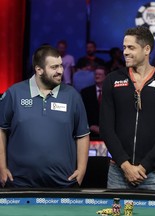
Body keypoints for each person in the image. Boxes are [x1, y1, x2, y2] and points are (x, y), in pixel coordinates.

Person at [99, 26, 155, 191]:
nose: (125, 52)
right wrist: (125, 165)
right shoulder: (112, 80)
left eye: (131, 47)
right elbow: (106, 129)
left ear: (147, 49)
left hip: (152, 174)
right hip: (118, 172)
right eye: (124, 47)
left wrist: (144, 167)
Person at [0, 45, 90, 188]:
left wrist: (82, 170)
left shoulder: (72, 96)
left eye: (61, 66)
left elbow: (83, 135)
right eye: (54, 67)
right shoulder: (14, 93)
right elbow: (1, 130)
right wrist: (2, 168)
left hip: (63, 182)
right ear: (39, 70)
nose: (60, 71)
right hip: (19, 183)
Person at [81, 65, 107, 140]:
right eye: (96, 74)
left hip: (108, 132)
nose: (97, 76)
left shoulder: (111, 92)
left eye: (100, 74)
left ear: (105, 76)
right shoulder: (85, 92)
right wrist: (91, 126)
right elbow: (82, 112)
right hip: (90, 131)